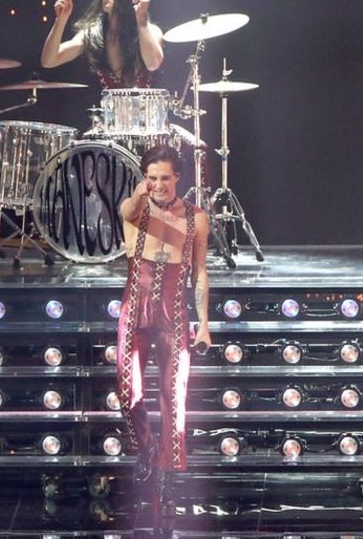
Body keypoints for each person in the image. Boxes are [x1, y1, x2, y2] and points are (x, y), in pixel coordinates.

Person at [115, 144, 210, 514]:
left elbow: (200, 272)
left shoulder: (197, 218)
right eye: (152, 177)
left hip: (173, 313)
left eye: (165, 178)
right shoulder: (135, 209)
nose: (158, 184)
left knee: (173, 394)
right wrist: (142, 192)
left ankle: (167, 472)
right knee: (128, 389)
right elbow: (128, 210)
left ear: (178, 178)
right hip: (135, 309)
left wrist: (204, 323)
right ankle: (147, 447)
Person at [41, 0, 164, 88]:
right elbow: (49, 61)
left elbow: (153, 64)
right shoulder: (92, 34)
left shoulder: (151, 30)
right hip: (109, 104)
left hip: (146, 104)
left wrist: (142, 19)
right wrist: (60, 20)